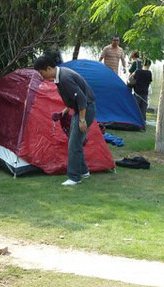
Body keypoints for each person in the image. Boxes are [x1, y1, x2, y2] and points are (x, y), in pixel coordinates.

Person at [34, 54, 97, 187]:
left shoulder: (65, 78)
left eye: (41, 73)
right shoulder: (59, 76)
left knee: (74, 144)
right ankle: (84, 171)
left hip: (85, 109)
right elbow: (72, 97)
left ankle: (74, 177)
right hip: (80, 109)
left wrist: (82, 120)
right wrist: (65, 110)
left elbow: (81, 99)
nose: (41, 76)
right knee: (75, 142)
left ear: (49, 68)